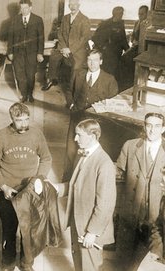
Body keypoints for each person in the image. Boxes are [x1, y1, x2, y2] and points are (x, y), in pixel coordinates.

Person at [0, 102, 52, 271]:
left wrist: (39, 179)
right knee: (9, 229)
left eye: (26, 119)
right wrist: (3, 186)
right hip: (9, 191)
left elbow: (46, 158)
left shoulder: (37, 135)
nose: (24, 124)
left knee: (28, 230)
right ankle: (8, 263)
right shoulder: (1, 137)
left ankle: (26, 263)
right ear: (11, 118)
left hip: (29, 191)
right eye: (19, 120)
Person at [55, 119, 116, 271]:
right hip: (78, 221)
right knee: (79, 264)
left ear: (93, 136)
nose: (75, 139)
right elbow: (76, 185)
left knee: (89, 266)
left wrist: (92, 232)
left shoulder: (104, 164)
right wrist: (57, 188)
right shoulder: (83, 155)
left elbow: (105, 204)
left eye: (79, 135)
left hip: (90, 227)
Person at [116, 112, 165, 269]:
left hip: (155, 219)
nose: (152, 130)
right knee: (123, 260)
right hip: (130, 213)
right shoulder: (130, 146)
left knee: (146, 262)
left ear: (163, 129)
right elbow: (118, 176)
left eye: (157, 126)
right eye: (149, 125)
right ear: (144, 126)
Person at [63, 49, 118, 181]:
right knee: (71, 150)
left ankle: (87, 181)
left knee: (93, 152)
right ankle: (67, 181)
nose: (92, 63)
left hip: (97, 122)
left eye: (95, 60)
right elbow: (69, 90)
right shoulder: (78, 74)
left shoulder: (109, 79)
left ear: (101, 61)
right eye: (89, 60)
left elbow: (113, 101)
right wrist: (71, 104)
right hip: (77, 117)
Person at [41, 0, 90, 105]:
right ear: (68, 6)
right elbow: (60, 34)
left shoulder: (84, 19)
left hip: (78, 50)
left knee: (76, 68)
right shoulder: (65, 18)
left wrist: (70, 49)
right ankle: (51, 79)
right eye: (70, 5)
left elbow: (84, 38)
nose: (72, 7)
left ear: (79, 6)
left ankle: (72, 94)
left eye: (75, 5)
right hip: (64, 48)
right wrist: (63, 48)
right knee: (54, 55)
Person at [8, 0, 44, 103]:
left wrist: (40, 53)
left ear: (30, 8)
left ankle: (30, 94)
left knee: (30, 74)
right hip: (18, 53)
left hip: (32, 53)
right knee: (20, 75)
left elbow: (41, 38)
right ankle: (23, 94)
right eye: (22, 8)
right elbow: (11, 37)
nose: (23, 10)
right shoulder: (15, 20)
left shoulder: (38, 20)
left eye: (26, 8)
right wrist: (10, 52)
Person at [91, 6, 129, 79]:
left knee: (113, 75)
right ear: (114, 14)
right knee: (105, 73)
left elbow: (123, 39)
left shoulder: (120, 24)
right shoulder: (105, 24)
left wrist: (128, 50)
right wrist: (103, 47)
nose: (121, 15)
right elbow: (94, 37)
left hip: (116, 55)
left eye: (122, 13)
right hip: (106, 55)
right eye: (119, 13)